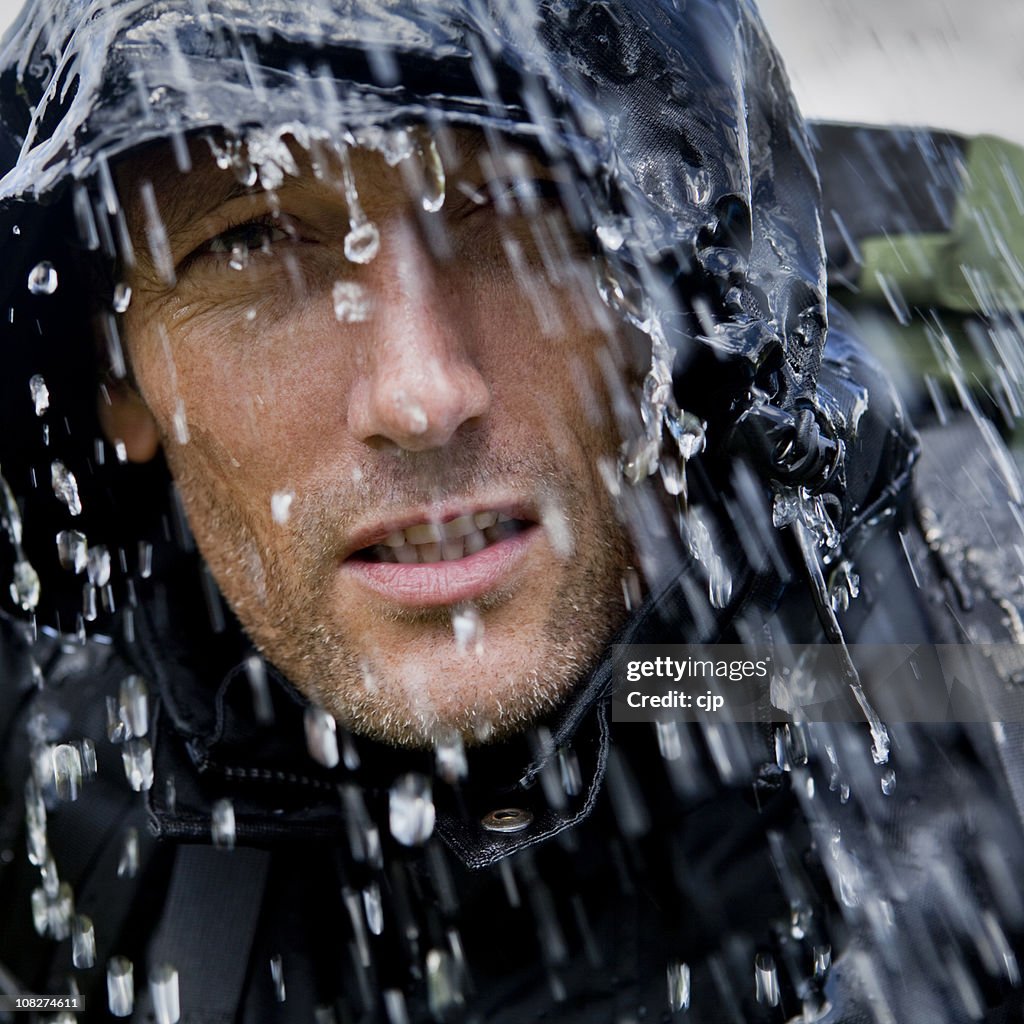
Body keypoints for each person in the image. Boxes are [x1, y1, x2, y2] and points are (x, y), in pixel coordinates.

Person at [1, 0, 1023, 1021]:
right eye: (254, 242)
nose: (421, 395)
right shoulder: (52, 773)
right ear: (110, 373)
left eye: (519, 209)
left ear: (679, 291)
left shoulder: (945, 644)